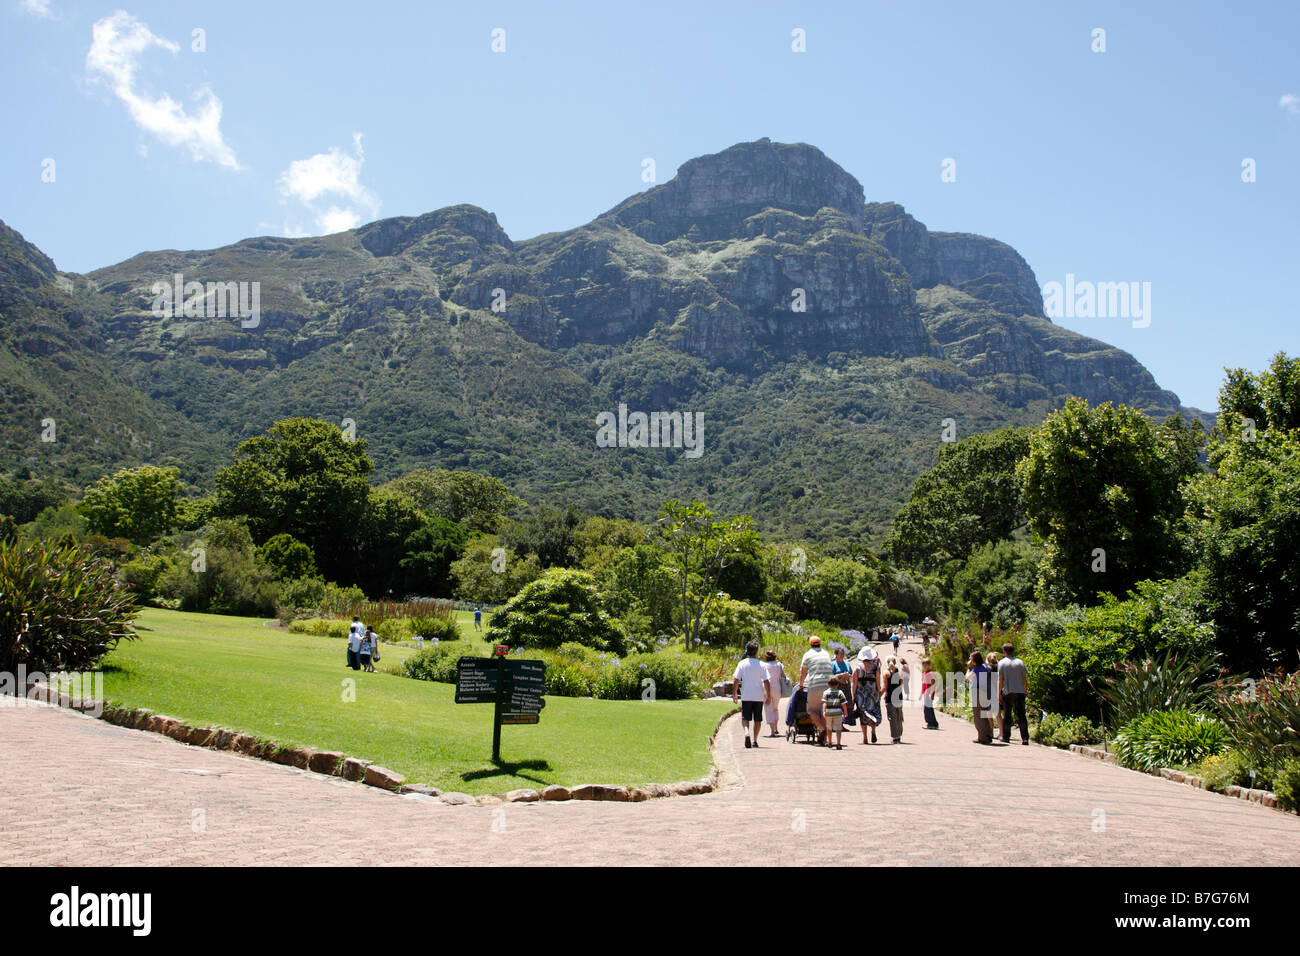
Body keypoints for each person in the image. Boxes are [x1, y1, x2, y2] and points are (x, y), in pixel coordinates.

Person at [733, 641, 772, 749]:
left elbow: (736, 679)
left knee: (745, 717)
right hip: (758, 695)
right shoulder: (762, 665)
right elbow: (766, 681)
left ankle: (746, 732)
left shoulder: (742, 664)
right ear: (757, 651)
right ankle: (755, 740)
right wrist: (768, 695)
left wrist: (735, 693)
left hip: (746, 694)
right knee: (757, 719)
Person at [798, 636, 834, 744]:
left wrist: (801, 685)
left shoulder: (807, 655)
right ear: (820, 644)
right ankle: (825, 738)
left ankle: (821, 728)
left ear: (810, 644)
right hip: (828, 685)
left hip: (815, 684)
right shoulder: (826, 653)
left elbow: (803, 672)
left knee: (812, 710)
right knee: (823, 710)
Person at [997, 642, 1030, 744]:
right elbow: (1024, 677)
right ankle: (1025, 738)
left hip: (1008, 691)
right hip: (1020, 691)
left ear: (1004, 651)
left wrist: (998, 693)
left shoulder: (1002, 663)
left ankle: (1006, 737)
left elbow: (1000, 679)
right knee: (1021, 715)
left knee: (1007, 714)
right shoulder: (1020, 662)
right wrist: (1025, 689)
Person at [851, 646, 882, 744]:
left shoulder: (858, 668)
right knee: (872, 712)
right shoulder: (876, 667)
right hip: (873, 693)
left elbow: (854, 683)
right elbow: (878, 682)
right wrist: (879, 692)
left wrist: (853, 695)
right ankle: (873, 730)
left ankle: (865, 737)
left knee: (862, 714)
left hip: (861, 694)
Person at [966, 651, 995, 744]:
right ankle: (987, 735)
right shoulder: (986, 667)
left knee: (978, 716)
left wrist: (969, 668)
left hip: (977, 692)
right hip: (985, 691)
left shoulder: (976, 669)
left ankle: (983, 737)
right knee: (984, 715)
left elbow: (967, 678)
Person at [761, 650, 787, 738]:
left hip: (766, 688)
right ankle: (776, 728)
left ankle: (772, 731)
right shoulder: (779, 664)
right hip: (777, 688)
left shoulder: (764, 665)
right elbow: (783, 675)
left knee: (768, 709)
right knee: (775, 708)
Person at [822, 675, 848, 750]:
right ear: (838, 684)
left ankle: (829, 742)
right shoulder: (840, 692)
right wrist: (845, 712)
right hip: (838, 713)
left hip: (829, 713)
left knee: (829, 728)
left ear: (828, 684)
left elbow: (824, 703)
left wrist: (824, 711)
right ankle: (838, 743)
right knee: (838, 729)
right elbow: (843, 703)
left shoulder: (826, 693)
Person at [883, 655, 905, 743]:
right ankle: (899, 735)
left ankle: (895, 736)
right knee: (899, 716)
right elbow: (902, 683)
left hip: (890, 697)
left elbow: (885, 687)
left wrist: (879, 694)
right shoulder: (899, 673)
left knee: (892, 717)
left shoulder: (886, 673)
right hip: (898, 696)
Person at [920, 657, 941, 729]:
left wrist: (931, 694)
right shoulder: (924, 673)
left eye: (926, 665)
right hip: (925, 693)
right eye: (924, 665)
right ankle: (931, 723)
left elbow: (933, 683)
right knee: (927, 709)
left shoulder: (930, 673)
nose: (925, 666)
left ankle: (932, 723)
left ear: (929, 665)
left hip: (929, 693)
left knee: (928, 709)